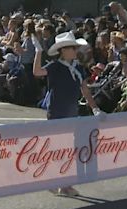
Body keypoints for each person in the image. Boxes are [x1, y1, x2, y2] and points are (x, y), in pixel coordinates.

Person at [32, 31, 105, 197]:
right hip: (57, 112)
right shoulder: (55, 66)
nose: (75, 50)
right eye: (72, 47)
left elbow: (85, 89)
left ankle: (65, 184)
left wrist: (95, 109)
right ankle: (52, 180)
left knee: (69, 149)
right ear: (63, 50)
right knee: (57, 148)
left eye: (75, 47)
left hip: (72, 112)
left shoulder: (78, 67)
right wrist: (38, 52)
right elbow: (37, 72)